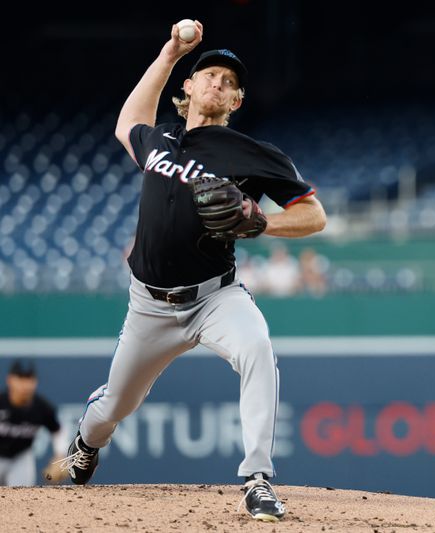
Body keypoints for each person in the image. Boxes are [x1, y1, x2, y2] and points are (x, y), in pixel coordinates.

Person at [56, 20, 326, 523]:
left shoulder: (254, 155)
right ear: (188, 86)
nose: (217, 83)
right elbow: (125, 122)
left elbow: (315, 215)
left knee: (258, 348)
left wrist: (261, 221)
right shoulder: (160, 139)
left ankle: (258, 480)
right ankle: (85, 444)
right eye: (209, 75)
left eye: (229, 81)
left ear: (237, 101)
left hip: (215, 297)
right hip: (149, 306)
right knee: (113, 407)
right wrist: (171, 52)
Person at [0, 359, 66, 486]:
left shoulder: (41, 407)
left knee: (21, 499)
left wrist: (60, 456)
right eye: (20, 378)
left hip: (21, 457)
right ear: (10, 380)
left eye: (29, 378)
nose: (25, 384)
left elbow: (57, 430)